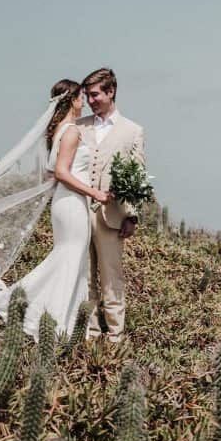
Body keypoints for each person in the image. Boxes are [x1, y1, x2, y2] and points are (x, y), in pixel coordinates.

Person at [0, 79, 110, 340]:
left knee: (69, 258)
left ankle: (62, 319)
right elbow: (61, 172)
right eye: (82, 97)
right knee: (69, 258)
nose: (85, 103)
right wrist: (95, 193)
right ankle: (51, 318)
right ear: (73, 100)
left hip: (65, 202)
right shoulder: (71, 131)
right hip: (72, 203)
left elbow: (50, 174)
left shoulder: (57, 130)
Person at [77, 67, 145, 342]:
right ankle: (90, 332)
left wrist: (133, 216)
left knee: (111, 276)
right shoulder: (79, 126)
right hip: (78, 212)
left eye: (94, 95)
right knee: (84, 277)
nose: (90, 101)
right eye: (87, 96)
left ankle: (115, 334)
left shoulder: (133, 130)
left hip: (111, 215)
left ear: (111, 91)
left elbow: (138, 174)